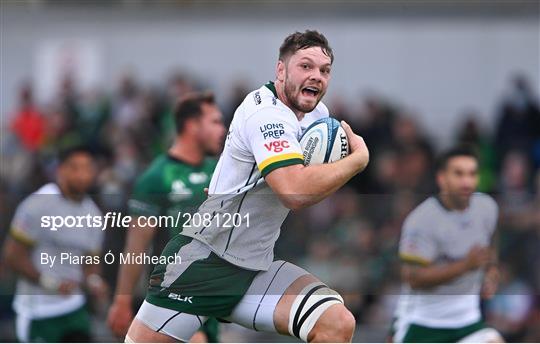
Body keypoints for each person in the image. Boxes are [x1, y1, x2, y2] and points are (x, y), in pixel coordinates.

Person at [126, 30, 370, 343]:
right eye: (305, 66)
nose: (316, 76)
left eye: (324, 70)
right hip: (203, 265)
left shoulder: (318, 117)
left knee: (336, 323)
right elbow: (293, 192)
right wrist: (356, 161)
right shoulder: (266, 113)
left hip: (254, 269)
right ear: (280, 70)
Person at [107, 92, 226, 342]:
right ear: (192, 126)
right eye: (215, 122)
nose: (222, 130)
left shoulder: (218, 171)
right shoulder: (157, 177)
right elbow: (136, 247)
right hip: (175, 293)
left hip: (213, 293)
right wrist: (122, 300)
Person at [393, 146, 504, 343]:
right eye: (459, 174)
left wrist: (491, 271)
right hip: (423, 323)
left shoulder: (487, 208)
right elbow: (413, 277)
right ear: (442, 179)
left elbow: (490, 246)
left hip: (467, 321)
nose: (466, 182)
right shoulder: (422, 220)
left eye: (472, 174)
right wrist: (466, 265)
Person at [2, 146, 108, 342]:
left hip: (73, 307)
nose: (81, 175)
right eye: (74, 168)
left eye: (87, 168)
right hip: (38, 310)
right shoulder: (38, 204)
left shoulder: (93, 214)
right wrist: (48, 282)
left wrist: (94, 283)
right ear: (60, 170)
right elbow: (12, 255)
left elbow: (90, 263)